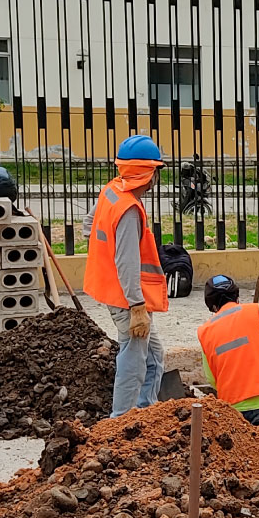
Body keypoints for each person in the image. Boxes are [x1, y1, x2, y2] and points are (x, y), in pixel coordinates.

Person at [83, 135, 168, 419]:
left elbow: (88, 227)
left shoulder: (112, 191)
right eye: (156, 169)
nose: (157, 177)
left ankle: (145, 411)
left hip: (115, 291)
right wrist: (137, 307)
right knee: (133, 360)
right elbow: (127, 261)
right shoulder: (129, 209)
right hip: (127, 299)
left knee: (154, 356)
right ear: (147, 172)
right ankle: (121, 420)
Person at [197, 274, 259, 436]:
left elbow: (211, 379)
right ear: (236, 296)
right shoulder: (258, 311)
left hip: (231, 408)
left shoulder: (205, 331)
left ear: (213, 306)